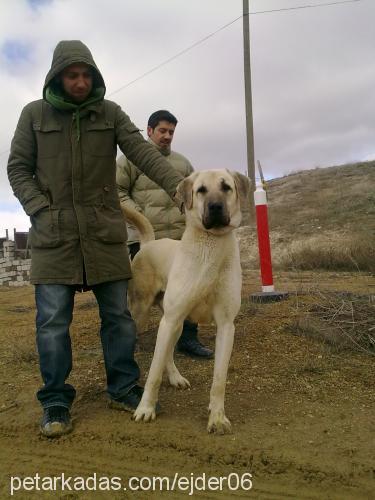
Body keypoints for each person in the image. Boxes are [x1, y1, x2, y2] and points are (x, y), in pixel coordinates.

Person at [7, 41, 185, 438]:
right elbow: (17, 167)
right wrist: (39, 209)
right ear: (57, 76)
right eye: (72, 75)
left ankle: (123, 387)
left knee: (119, 318)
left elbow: (143, 152)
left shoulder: (110, 114)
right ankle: (55, 398)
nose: (81, 82)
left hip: (104, 235)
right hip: (54, 236)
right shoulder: (33, 115)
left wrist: (180, 188)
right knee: (52, 323)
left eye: (87, 74)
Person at [116, 110, 214, 359]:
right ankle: (129, 344)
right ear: (149, 131)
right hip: (146, 241)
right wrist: (141, 217)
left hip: (181, 241)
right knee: (143, 298)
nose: (167, 136)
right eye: (162, 130)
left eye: (171, 132)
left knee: (190, 291)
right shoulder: (129, 161)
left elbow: (195, 198)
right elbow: (117, 191)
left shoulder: (183, 163)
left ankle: (188, 340)